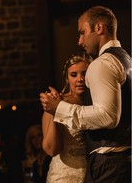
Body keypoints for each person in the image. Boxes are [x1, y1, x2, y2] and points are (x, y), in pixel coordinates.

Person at [40, 6, 131, 183]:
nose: (80, 41)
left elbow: (107, 116)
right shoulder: (126, 59)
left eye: (82, 32)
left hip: (109, 164)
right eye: (74, 75)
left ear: (99, 28)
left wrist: (60, 108)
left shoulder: (102, 63)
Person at [42, 52, 93, 182]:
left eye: (85, 73)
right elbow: (51, 150)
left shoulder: (96, 104)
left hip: (92, 174)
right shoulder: (57, 102)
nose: (80, 79)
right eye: (73, 75)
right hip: (64, 175)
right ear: (67, 78)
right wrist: (56, 110)